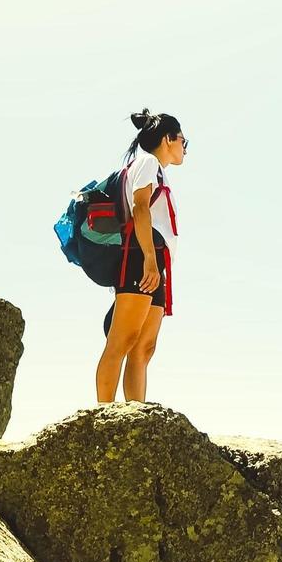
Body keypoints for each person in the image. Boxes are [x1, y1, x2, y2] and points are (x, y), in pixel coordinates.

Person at [95, 108, 187, 402]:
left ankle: (136, 412)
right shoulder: (147, 163)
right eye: (183, 141)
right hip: (140, 255)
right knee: (122, 340)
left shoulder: (155, 169)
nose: (185, 148)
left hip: (154, 259)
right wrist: (148, 258)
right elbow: (141, 207)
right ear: (168, 138)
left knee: (144, 347)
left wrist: (155, 262)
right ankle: (103, 415)